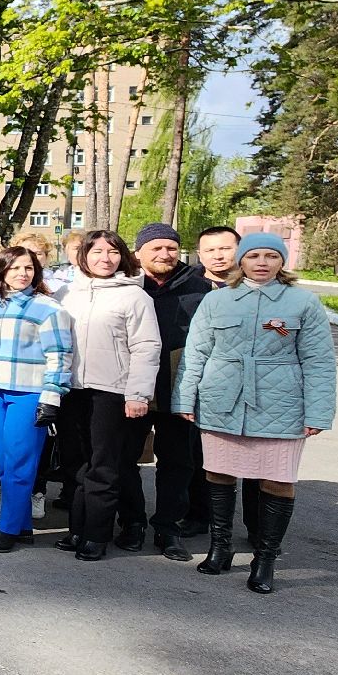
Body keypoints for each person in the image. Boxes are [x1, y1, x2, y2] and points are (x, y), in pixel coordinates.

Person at [176, 233, 334, 594]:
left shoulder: (303, 303)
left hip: (281, 403)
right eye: (254, 256)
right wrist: (184, 399)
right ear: (241, 261)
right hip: (221, 397)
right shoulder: (217, 301)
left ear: (282, 262)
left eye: (271, 256)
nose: (262, 262)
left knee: (277, 478)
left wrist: (319, 411)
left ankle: (265, 558)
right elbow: (196, 353)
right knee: (218, 473)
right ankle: (220, 547)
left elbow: (320, 361)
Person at [54, 230, 163, 561]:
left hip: (112, 391)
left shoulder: (134, 297)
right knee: (75, 463)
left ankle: (96, 534)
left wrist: (138, 394)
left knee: (104, 466)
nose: (105, 258)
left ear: (123, 257)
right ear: (83, 255)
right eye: (97, 251)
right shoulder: (66, 293)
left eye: (112, 251)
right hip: (72, 390)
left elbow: (146, 347)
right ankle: (76, 528)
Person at [121, 222, 216, 561]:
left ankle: (168, 526)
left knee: (177, 461)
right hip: (132, 387)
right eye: (156, 248)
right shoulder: (126, 285)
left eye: (171, 248)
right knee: (124, 458)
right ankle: (132, 522)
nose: (164, 254)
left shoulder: (200, 288)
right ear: (139, 253)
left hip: (180, 386)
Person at [0, 247, 74, 552]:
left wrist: (52, 395)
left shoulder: (49, 309)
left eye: (28, 268)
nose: (22, 274)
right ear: (2, 271)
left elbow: (59, 355)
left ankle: (8, 528)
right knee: (4, 462)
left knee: (20, 463)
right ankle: (22, 525)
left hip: (27, 392)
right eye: (14, 268)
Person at [189, 223, 256, 538]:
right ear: (200, 254)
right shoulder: (188, 286)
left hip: (254, 391)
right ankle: (201, 517)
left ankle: (258, 528)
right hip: (203, 388)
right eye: (210, 250)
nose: (218, 255)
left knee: (255, 463)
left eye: (225, 248)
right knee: (200, 458)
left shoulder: (261, 289)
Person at [44, 231, 86, 296]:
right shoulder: (59, 275)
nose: (82, 252)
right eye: (77, 248)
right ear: (66, 251)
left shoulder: (95, 274)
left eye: (85, 248)